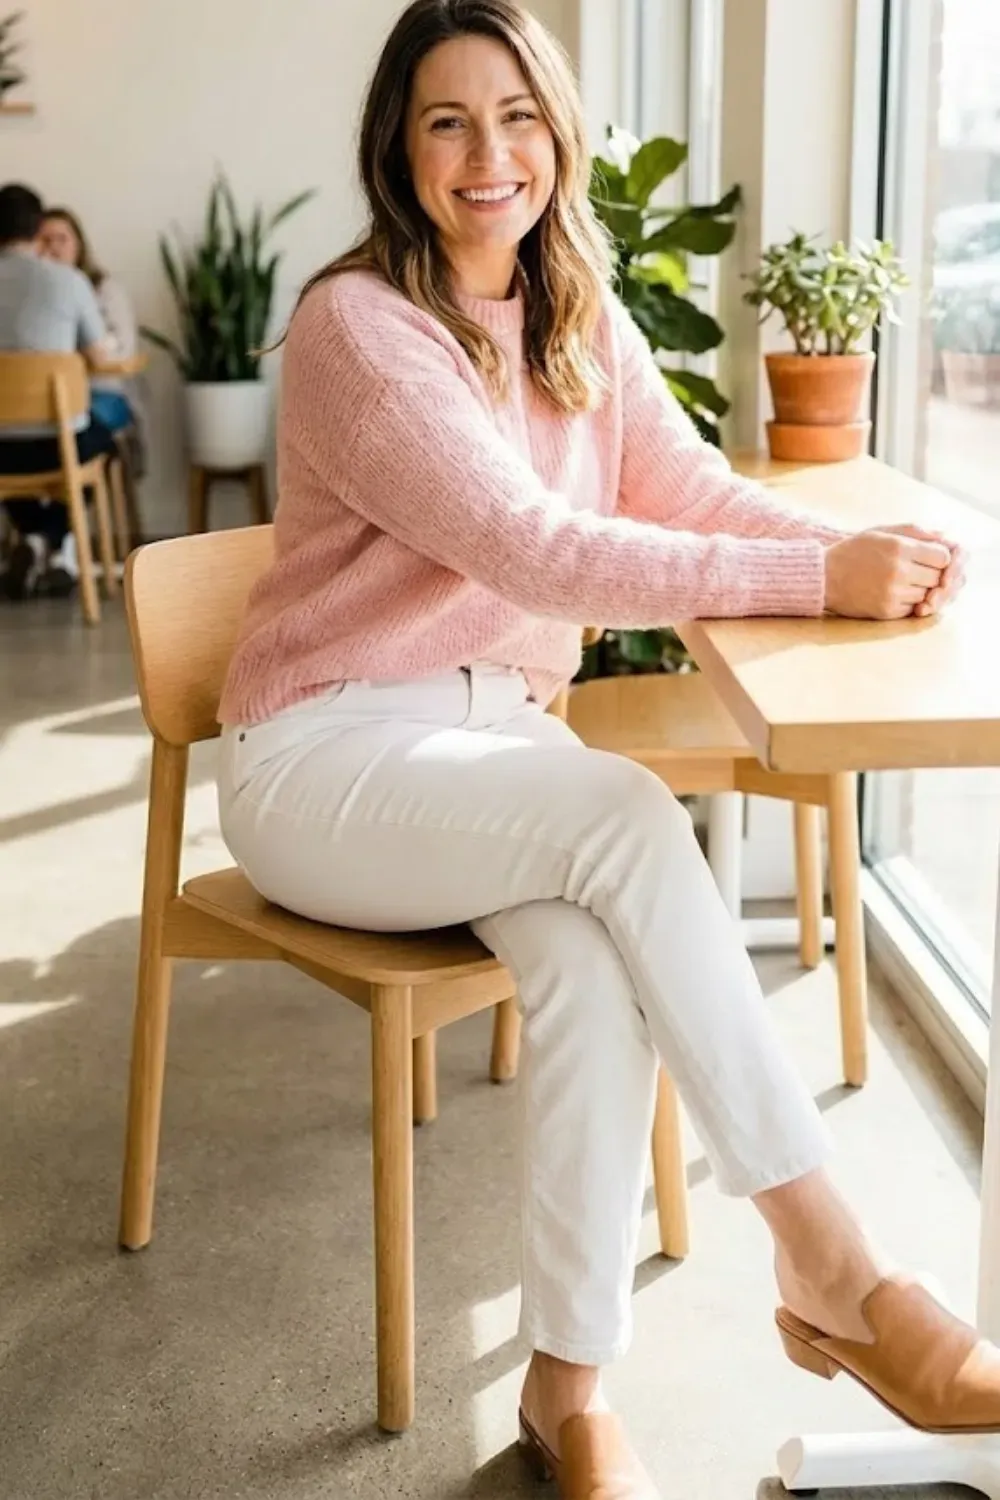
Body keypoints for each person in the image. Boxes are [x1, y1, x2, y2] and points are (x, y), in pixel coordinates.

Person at [214, 3, 986, 1495]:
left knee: (584, 961)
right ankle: (836, 1268)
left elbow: (690, 495)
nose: (488, 153)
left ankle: (567, 1394)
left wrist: (850, 549)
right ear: (398, 150)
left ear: (559, 131)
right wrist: (812, 582)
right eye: (446, 121)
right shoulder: (360, 327)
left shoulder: (573, 310)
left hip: (494, 754)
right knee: (630, 819)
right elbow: (536, 547)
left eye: (516, 114)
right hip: (323, 758)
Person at [0, 183, 117, 597]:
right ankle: (53, 539)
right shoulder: (68, 282)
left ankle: (32, 536)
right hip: (58, 442)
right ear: (37, 231)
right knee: (102, 439)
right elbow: (101, 358)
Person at [38, 206, 146, 447]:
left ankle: (83, 482)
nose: (53, 248)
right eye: (45, 240)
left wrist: (87, 352)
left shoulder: (105, 289)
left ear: (78, 245)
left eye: (62, 239)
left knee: (79, 428)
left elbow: (123, 348)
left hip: (100, 392)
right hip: (44, 400)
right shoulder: (29, 297)